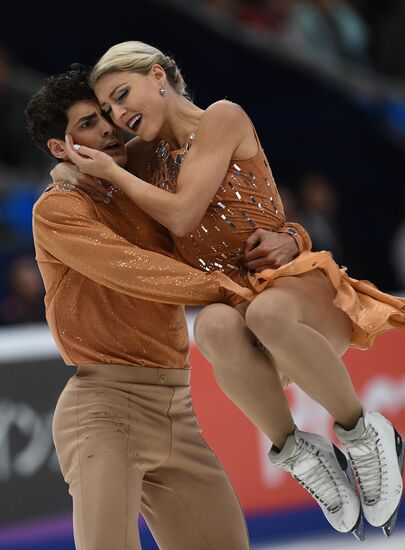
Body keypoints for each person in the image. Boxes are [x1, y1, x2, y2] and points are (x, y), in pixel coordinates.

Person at [60, 41, 405, 538]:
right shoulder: (141, 156)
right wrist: (72, 171)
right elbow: (72, 169)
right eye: (107, 110)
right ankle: (301, 453)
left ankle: (365, 435)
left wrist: (294, 236)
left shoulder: (221, 118)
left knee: (266, 315)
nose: (119, 115)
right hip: (238, 309)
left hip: (298, 297)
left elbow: (185, 215)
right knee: (211, 325)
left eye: (123, 95)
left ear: (159, 76)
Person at [26, 64, 298, 550]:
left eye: (105, 114)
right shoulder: (58, 210)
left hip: (176, 406)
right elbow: (136, 271)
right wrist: (233, 293)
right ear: (59, 148)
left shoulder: (146, 185)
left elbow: (227, 224)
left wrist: (291, 238)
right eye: (88, 124)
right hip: (103, 411)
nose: (108, 128)